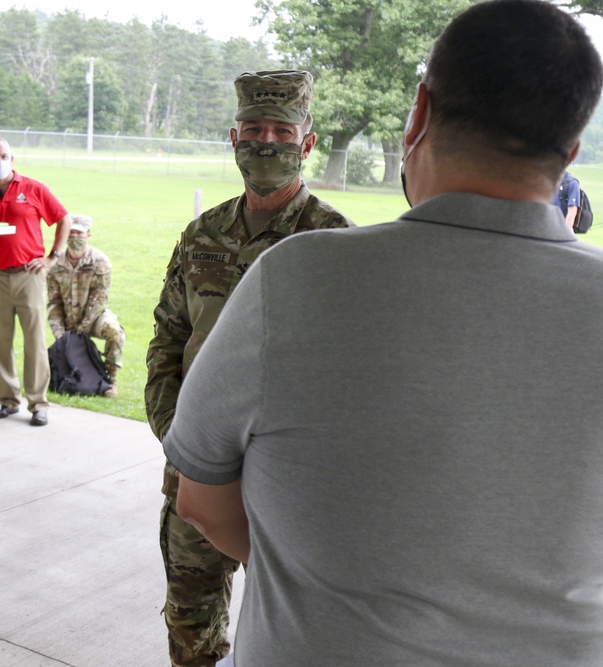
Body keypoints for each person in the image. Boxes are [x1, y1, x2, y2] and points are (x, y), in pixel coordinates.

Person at [163, 1, 603, 665]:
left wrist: (324, 572)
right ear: (570, 149)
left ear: (419, 114)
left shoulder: (301, 277)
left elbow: (199, 500)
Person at [144, 70, 352, 666]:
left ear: (306, 144)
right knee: (189, 618)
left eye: (281, 131)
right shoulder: (204, 233)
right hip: (196, 467)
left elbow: (350, 375)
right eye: (253, 130)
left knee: (298, 624)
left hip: (292, 476)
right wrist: (176, 436)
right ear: (233, 138)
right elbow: (168, 337)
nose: (266, 143)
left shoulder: (333, 242)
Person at [0, 137, 72, 427]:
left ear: (12, 158)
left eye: (4, 155)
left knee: (35, 341)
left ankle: (38, 404)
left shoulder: (32, 188)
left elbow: (63, 218)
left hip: (29, 275)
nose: (0, 161)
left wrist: (52, 257)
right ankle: (7, 400)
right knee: (0, 341)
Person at [46, 214, 125, 397]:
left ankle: (111, 380)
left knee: (115, 331)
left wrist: (82, 329)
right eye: (71, 232)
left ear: (88, 235)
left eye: (79, 233)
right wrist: (60, 333)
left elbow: (99, 299)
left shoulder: (100, 262)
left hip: (94, 317)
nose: (75, 237)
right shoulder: (55, 264)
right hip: (67, 316)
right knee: (58, 345)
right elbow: (54, 302)